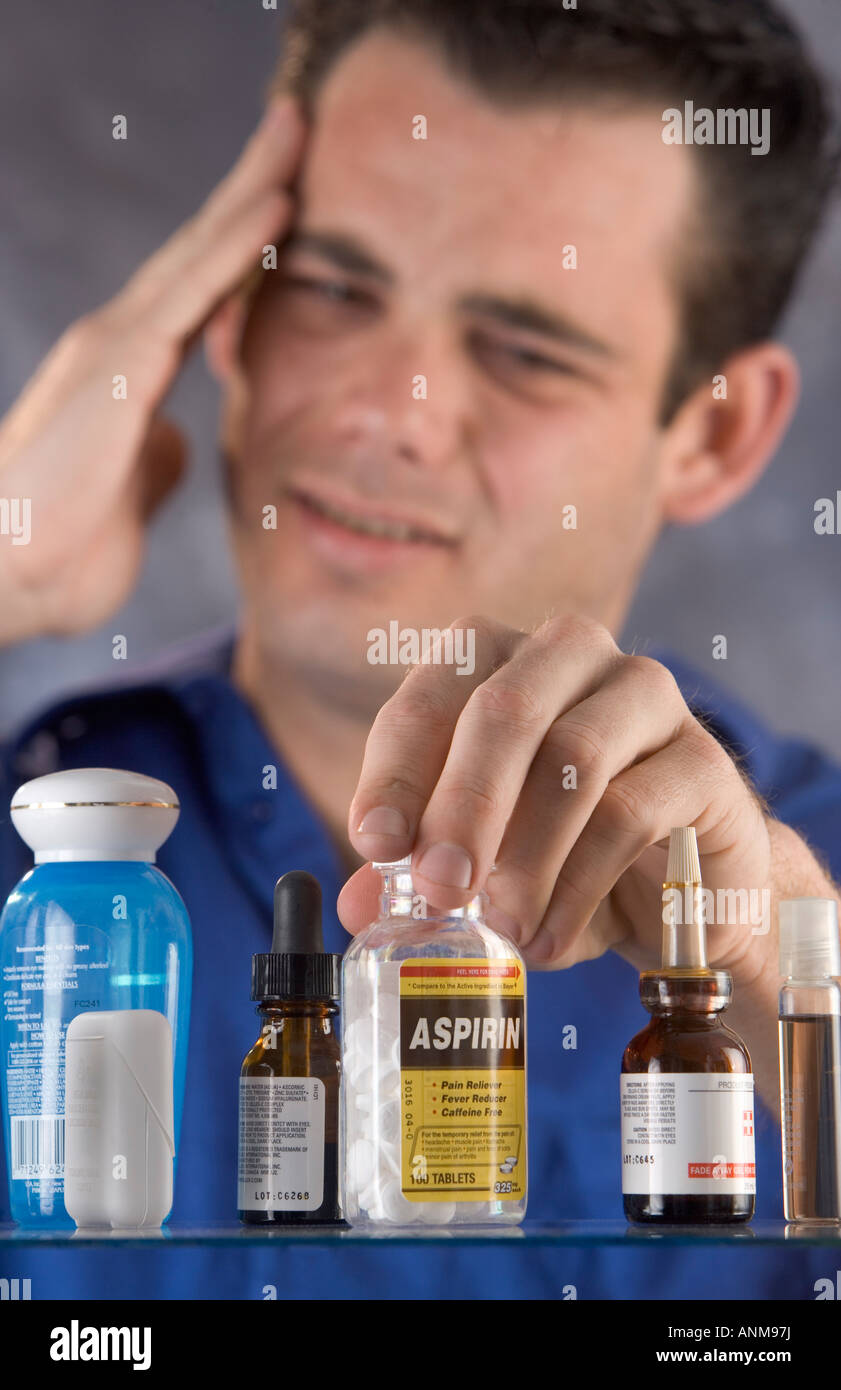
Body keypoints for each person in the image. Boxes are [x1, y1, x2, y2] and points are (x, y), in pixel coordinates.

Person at [1, 0, 839, 1300]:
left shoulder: (800, 897)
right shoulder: (40, 881)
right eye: (334, 286)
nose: (387, 417)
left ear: (714, 434)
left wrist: (762, 981)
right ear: (229, 304)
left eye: (522, 349)